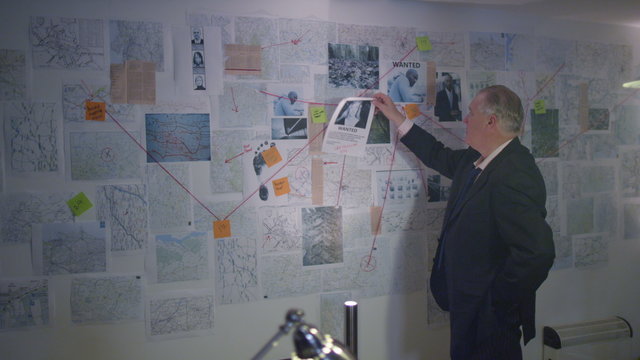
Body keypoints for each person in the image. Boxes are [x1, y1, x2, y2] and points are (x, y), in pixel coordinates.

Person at [373, 86, 554, 360]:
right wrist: (397, 117)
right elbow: (437, 154)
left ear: (491, 121)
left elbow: (537, 253)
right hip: (468, 305)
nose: (465, 120)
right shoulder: (476, 159)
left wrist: (496, 299)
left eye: (471, 114)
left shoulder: (515, 171)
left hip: (491, 316)